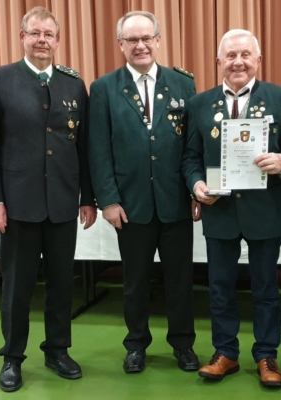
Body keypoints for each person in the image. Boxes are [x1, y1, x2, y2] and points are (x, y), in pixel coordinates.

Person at [0, 6, 97, 392]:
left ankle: (57, 350)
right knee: (18, 287)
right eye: (35, 33)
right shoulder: (0, 79)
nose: (42, 40)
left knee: (62, 284)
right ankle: (12, 357)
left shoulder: (73, 84)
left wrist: (88, 198)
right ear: (22, 37)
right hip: (18, 205)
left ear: (58, 40)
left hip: (62, 203)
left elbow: (83, 147)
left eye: (48, 34)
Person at [182, 29, 281, 387]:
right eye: (231, 56)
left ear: (258, 60)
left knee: (266, 289)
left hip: (264, 209)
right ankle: (225, 353)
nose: (238, 62)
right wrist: (196, 185)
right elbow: (190, 157)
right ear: (219, 61)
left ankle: (267, 355)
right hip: (219, 210)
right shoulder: (199, 104)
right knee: (220, 287)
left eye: (245, 55)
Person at [87, 11, 200, 374]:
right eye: (132, 40)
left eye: (146, 38)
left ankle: (183, 344)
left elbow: (193, 146)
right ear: (121, 44)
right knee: (134, 282)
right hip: (130, 205)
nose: (140, 46)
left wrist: (196, 191)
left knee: (180, 281)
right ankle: (136, 345)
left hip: (176, 203)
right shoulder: (104, 88)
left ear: (158, 40)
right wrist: (107, 200)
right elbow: (98, 149)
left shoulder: (183, 84)